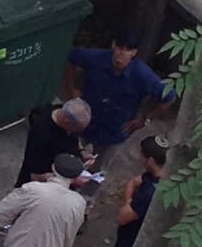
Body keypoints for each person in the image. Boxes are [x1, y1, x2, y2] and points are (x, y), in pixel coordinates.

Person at [63, 32, 173, 166]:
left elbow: (169, 97)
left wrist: (145, 118)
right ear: (113, 46)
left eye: (128, 49)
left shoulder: (142, 75)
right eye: (120, 47)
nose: (122, 53)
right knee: (66, 159)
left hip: (114, 131)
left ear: (134, 52)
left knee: (98, 171)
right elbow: (70, 56)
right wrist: (72, 90)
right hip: (84, 122)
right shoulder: (96, 58)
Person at [16, 98, 95, 188]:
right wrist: (70, 180)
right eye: (76, 129)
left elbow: (74, 136)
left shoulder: (63, 111)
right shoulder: (41, 137)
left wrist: (82, 151)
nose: (76, 132)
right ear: (67, 122)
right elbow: (35, 176)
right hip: (41, 188)